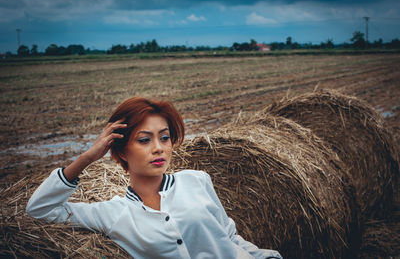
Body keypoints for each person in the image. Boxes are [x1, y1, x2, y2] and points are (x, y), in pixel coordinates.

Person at [26, 97, 282, 259]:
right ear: (122, 151)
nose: (158, 147)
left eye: (165, 137)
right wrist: (89, 157)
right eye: (145, 140)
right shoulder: (112, 214)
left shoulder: (197, 181)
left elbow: (229, 237)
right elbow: (40, 210)